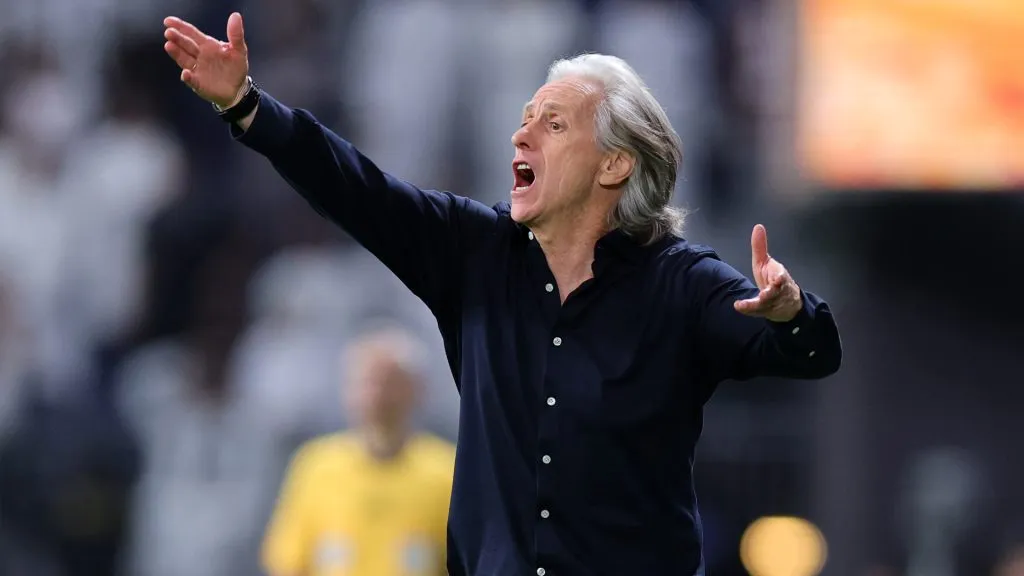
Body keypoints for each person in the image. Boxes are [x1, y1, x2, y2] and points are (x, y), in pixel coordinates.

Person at [162, 12, 843, 576]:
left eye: (554, 124)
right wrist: (248, 107)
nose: (521, 134)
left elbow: (807, 353)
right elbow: (356, 186)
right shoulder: (475, 253)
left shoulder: (680, 282)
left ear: (615, 164)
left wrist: (792, 313)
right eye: (525, 118)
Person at [261, 328, 455, 576]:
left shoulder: (445, 472)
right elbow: (288, 562)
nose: (378, 395)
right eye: (368, 382)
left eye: (391, 382)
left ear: (415, 390)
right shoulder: (315, 467)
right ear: (348, 390)